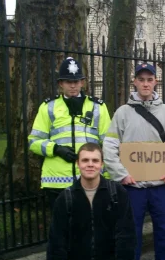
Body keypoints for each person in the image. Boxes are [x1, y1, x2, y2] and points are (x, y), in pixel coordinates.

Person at [103, 63, 165, 260]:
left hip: (161, 185)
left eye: (149, 79)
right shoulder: (122, 112)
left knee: (164, 231)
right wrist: (121, 175)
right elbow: (110, 146)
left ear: (155, 82)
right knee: (131, 233)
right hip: (132, 187)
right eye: (141, 79)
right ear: (134, 82)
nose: (145, 83)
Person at [46, 143, 139, 260]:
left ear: (101, 164)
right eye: (85, 160)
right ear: (78, 164)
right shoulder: (65, 198)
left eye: (95, 161)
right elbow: (57, 241)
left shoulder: (116, 192)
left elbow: (126, 232)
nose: (90, 165)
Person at [28, 57, 111, 210]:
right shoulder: (48, 107)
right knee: (62, 228)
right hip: (56, 181)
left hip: (91, 178)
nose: (73, 85)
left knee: (89, 226)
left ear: (82, 82)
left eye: (76, 81)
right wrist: (56, 149)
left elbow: (109, 144)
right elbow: (33, 142)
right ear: (61, 84)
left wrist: (106, 177)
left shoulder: (98, 107)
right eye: (68, 82)